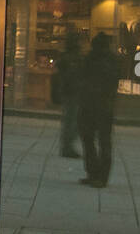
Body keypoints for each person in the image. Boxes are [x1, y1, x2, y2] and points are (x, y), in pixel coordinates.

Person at [77, 32, 122, 188]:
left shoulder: (94, 59)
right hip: (102, 105)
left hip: (94, 104)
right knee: (101, 141)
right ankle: (99, 175)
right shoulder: (111, 60)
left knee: (92, 140)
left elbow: (83, 79)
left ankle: (95, 174)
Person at [52, 32, 84, 158]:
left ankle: (67, 145)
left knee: (71, 120)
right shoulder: (73, 58)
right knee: (72, 120)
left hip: (69, 92)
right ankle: (67, 146)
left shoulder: (66, 57)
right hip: (72, 92)